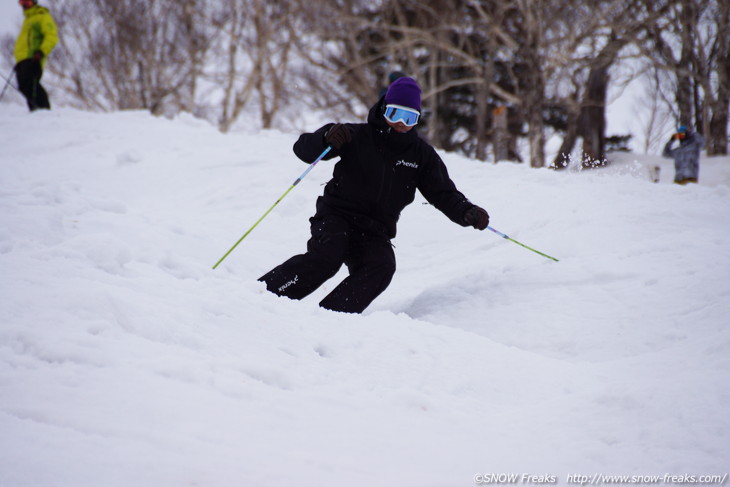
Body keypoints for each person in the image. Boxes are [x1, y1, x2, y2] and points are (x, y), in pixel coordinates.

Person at [258, 77, 490, 314]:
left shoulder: (422, 155)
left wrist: (466, 211)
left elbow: (443, 193)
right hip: (336, 216)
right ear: (383, 109)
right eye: (395, 113)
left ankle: (331, 317)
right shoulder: (355, 135)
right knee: (327, 258)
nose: (401, 123)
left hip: (375, 230)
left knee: (381, 266)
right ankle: (265, 295)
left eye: (409, 118)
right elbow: (303, 149)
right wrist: (326, 137)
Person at [13, 0, 58, 111]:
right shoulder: (27, 20)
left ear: (33, 2)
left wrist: (41, 51)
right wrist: (19, 61)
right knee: (23, 86)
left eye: (26, 2)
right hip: (22, 59)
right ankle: (35, 111)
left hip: (33, 58)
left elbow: (51, 37)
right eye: (21, 2)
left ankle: (43, 110)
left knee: (30, 84)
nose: (24, 5)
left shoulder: (42, 16)